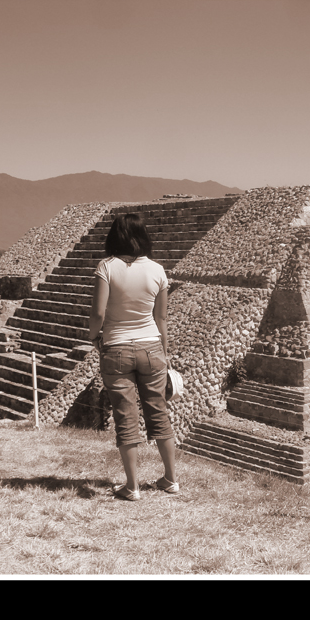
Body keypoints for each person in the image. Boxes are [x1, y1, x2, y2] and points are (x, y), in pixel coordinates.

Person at [89, 212, 179, 501]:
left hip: (116, 348)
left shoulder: (107, 267)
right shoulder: (158, 270)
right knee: (159, 412)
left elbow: (98, 313)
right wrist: (163, 352)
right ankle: (170, 479)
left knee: (126, 417)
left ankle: (132, 486)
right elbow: (161, 317)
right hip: (152, 347)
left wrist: (94, 337)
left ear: (114, 236)